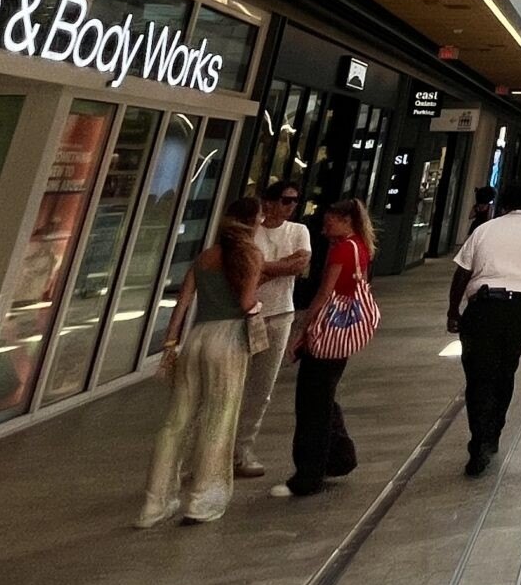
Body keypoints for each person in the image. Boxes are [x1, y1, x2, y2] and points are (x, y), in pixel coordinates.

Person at [138, 198, 262, 526]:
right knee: (219, 417)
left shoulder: (204, 257)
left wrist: (171, 342)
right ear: (253, 223)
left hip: (196, 337)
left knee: (175, 421)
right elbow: (248, 301)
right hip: (229, 339)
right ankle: (203, 500)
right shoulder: (251, 256)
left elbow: (181, 304)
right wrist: (258, 310)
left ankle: (154, 503)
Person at [448, 178, 521, 476]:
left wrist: (453, 311)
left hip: (483, 307)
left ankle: (479, 439)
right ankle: (493, 432)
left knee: (478, 376)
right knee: (505, 370)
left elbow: (462, 274)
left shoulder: (484, 230)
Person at [274, 199, 375, 498]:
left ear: (346, 220)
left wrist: (303, 330)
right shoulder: (361, 246)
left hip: (328, 331)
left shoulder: (343, 249)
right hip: (344, 332)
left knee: (312, 403)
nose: (324, 228)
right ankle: (339, 456)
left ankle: (309, 473)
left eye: (330, 222)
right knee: (323, 396)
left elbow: (323, 293)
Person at [231, 184, 310, 481]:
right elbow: (244, 268)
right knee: (233, 383)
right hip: (247, 316)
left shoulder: (298, 231)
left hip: (279, 314)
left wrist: (264, 268)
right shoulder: (252, 231)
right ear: (268, 203)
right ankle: (216, 448)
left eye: (294, 200)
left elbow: (300, 265)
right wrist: (277, 266)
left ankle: (242, 449)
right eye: (285, 200)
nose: (291, 205)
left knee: (261, 387)